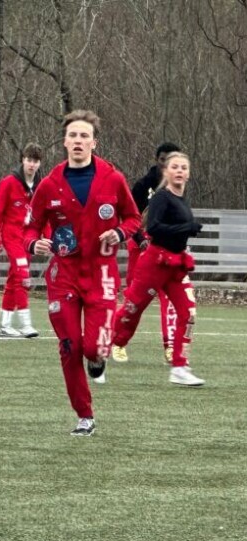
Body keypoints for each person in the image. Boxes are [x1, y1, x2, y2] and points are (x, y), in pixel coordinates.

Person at [24, 109, 141, 437]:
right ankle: (84, 416)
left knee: (92, 348)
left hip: (101, 275)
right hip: (64, 274)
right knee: (69, 346)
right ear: (64, 141)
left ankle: (98, 359)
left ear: (94, 142)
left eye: (84, 136)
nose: (78, 141)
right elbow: (29, 228)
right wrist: (35, 244)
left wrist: (119, 233)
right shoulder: (50, 185)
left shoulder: (112, 179)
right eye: (73, 135)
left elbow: (133, 219)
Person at [112, 152, 204, 386]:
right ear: (167, 171)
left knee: (188, 314)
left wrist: (187, 231)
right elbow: (154, 227)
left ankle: (180, 366)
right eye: (175, 167)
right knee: (132, 309)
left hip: (177, 264)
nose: (180, 171)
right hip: (155, 262)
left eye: (184, 167)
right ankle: (108, 340)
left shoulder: (183, 198)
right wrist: (187, 227)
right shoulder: (161, 197)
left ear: (189, 173)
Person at [112, 142, 183, 364]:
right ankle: (117, 341)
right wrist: (140, 239)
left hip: (168, 251)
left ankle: (171, 347)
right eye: (164, 159)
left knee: (170, 300)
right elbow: (130, 218)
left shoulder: (177, 187)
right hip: (142, 247)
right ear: (157, 160)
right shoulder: (143, 186)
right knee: (135, 300)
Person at [0, 142, 44, 338]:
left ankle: (3, 326)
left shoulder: (40, 185)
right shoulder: (9, 182)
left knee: (14, 279)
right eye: (29, 160)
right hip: (12, 237)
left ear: (39, 164)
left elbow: (42, 214)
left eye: (35, 161)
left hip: (27, 240)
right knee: (23, 276)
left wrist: (47, 237)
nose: (32, 164)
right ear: (23, 160)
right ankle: (25, 323)